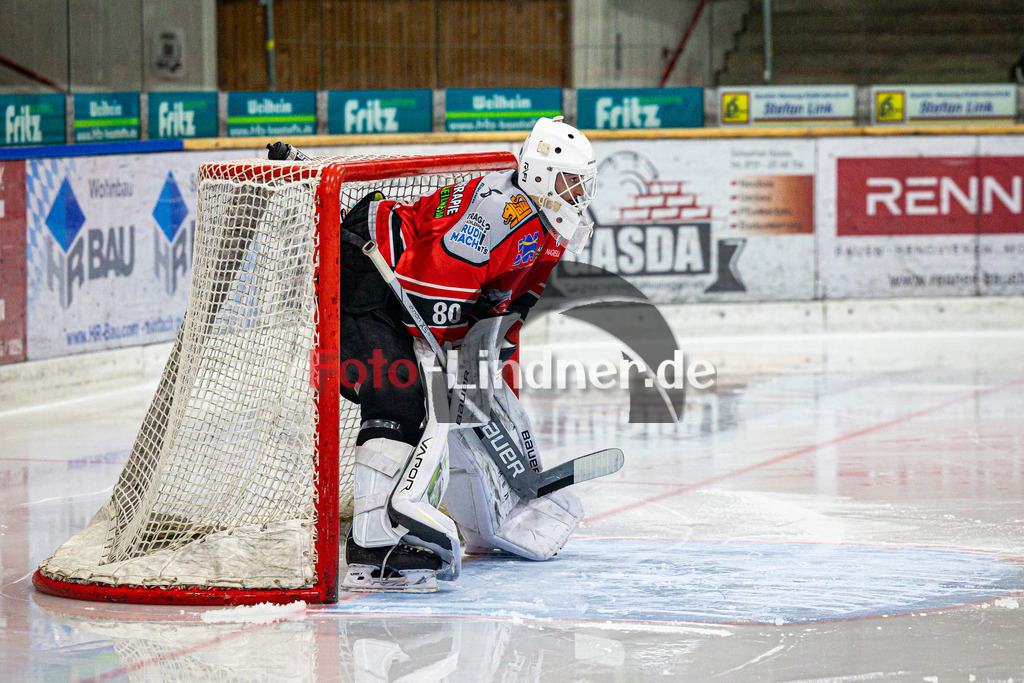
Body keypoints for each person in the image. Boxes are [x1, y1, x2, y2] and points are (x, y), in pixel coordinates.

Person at [323, 116, 598, 591]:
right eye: (569, 183)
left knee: (436, 393)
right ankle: (373, 542)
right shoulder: (494, 214)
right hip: (366, 259)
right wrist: (452, 368)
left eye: (582, 185)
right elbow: (426, 298)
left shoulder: (550, 230)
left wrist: (486, 384)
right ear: (538, 175)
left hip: (401, 279)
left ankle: (427, 522)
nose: (577, 196)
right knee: (399, 390)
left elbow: (504, 320)